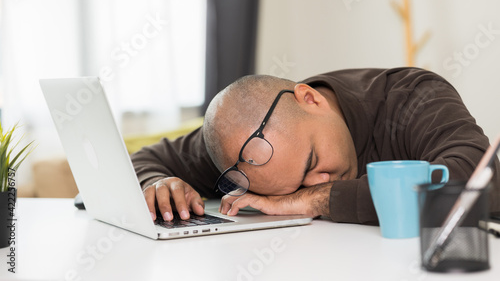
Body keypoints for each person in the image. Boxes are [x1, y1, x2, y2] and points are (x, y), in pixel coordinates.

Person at [131, 67, 500, 224]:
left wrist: (313, 201)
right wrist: (156, 184)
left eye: (312, 162)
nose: (317, 181)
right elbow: (143, 159)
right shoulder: (238, 143)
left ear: (310, 99)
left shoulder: (413, 97)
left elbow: (476, 181)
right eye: (292, 186)